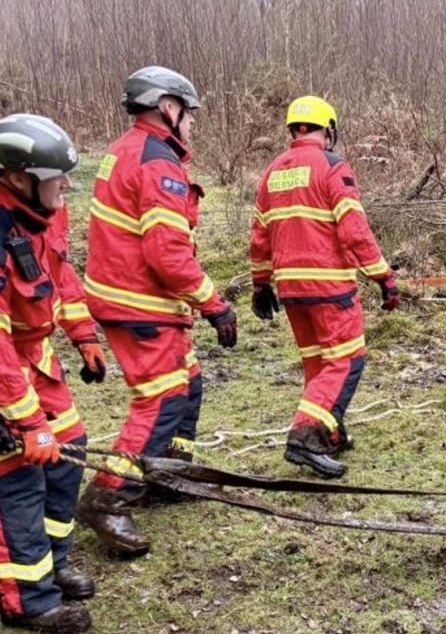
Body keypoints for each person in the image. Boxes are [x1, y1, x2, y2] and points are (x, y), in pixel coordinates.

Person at [77, 66, 238, 558]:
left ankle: (168, 474)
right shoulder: (157, 163)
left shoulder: (129, 149)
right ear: (168, 107)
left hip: (129, 295)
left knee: (189, 384)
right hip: (139, 302)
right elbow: (168, 254)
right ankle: (109, 495)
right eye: (189, 114)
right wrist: (214, 304)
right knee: (162, 399)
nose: (193, 123)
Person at [249, 95, 399, 479]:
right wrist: (382, 276)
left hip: (290, 289)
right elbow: (354, 230)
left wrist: (261, 285)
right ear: (328, 128)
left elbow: (260, 236)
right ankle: (304, 436)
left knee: (318, 364)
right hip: (329, 286)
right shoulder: (332, 166)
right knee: (346, 361)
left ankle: (330, 431)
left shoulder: (272, 172)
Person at [0, 113, 99, 633]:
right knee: (17, 477)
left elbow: (60, 276)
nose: (66, 187)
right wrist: (27, 422)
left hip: (33, 359)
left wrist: (84, 336)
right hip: (4, 374)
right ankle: (28, 600)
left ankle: (54, 562)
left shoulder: (42, 214)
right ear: (19, 178)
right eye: (55, 177)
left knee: (70, 449)